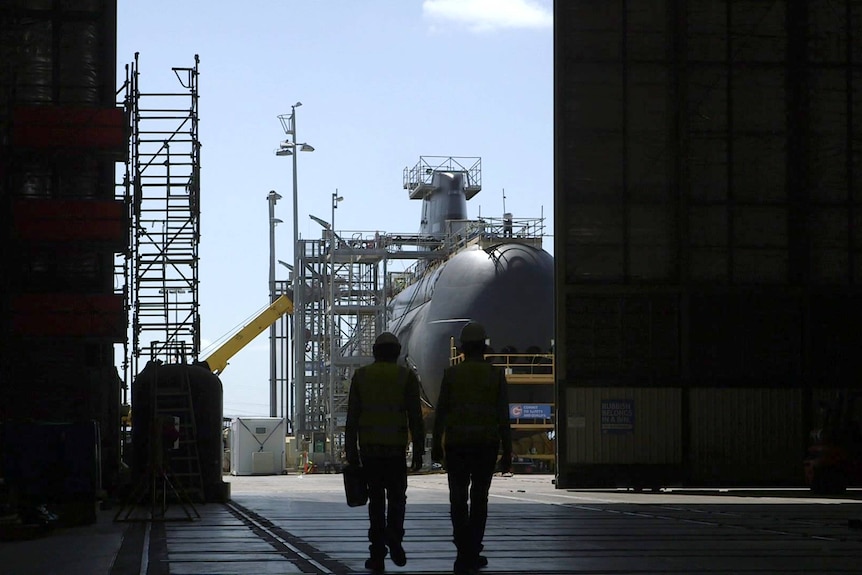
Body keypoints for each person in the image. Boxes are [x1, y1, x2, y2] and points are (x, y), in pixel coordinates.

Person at [432, 322, 513, 575]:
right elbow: (503, 415)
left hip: (457, 446)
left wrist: (436, 445)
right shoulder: (495, 375)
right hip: (486, 445)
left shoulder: (451, 374)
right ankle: (474, 549)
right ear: (484, 348)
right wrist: (508, 450)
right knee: (479, 499)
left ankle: (462, 551)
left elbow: (441, 414)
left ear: (463, 348)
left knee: (457, 498)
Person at [345, 331, 425, 572]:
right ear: (398, 352)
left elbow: (352, 418)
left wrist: (351, 452)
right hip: (395, 450)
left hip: (369, 451)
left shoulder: (361, 377)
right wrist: (419, 450)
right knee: (398, 498)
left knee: (376, 503)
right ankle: (395, 536)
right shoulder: (406, 376)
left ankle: (377, 554)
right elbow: (415, 416)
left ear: (374, 352)